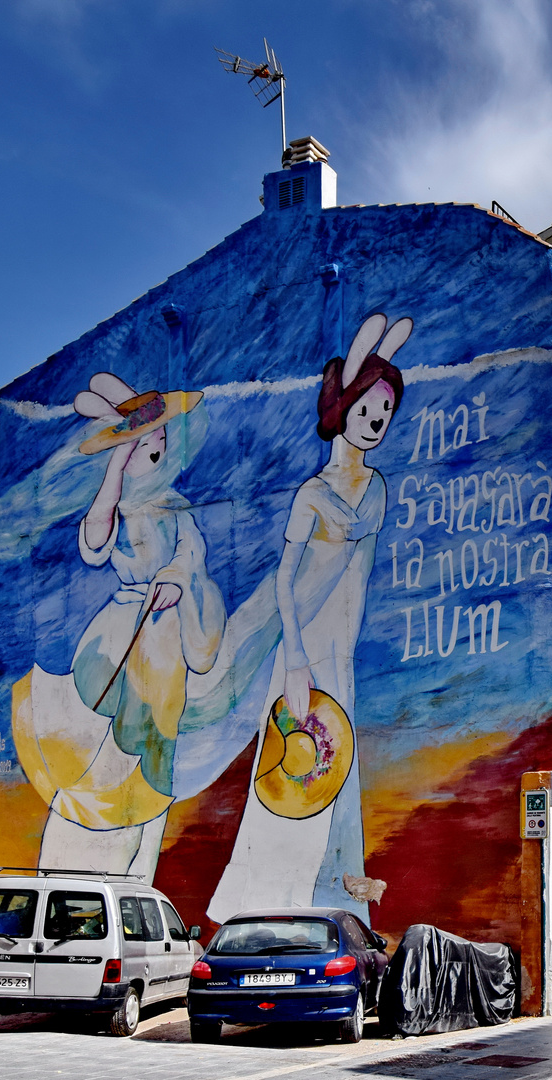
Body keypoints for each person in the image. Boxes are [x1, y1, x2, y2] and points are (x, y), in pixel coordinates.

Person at [206, 314, 409, 922]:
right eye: (368, 408)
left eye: (386, 413)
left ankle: (341, 907)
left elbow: (361, 576)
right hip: (300, 654)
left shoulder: (375, 488)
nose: (376, 422)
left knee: (338, 776)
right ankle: (263, 906)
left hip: (336, 657)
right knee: (290, 773)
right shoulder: (311, 495)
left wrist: (338, 654)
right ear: (342, 408)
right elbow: (285, 580)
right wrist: (296, 659)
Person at [13, 373, 225, 878]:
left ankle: (141, 821)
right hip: (116, 630)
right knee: (101, 718)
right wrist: (113, 470)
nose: (155, 453)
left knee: (154, 727)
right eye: (144, 446)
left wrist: (174, 579)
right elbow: (93, 545)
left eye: (159, 443)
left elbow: (189, 552)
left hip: (163, 633)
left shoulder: (174, 505)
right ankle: (95, 818)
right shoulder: (116, 507)